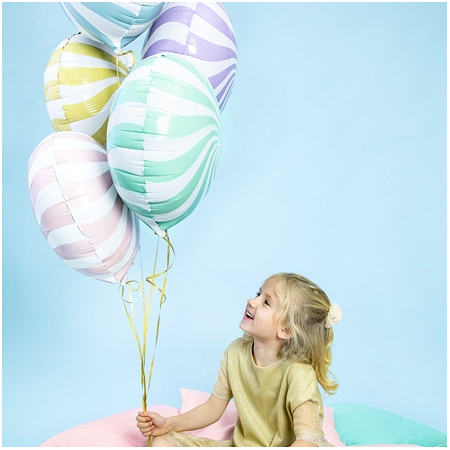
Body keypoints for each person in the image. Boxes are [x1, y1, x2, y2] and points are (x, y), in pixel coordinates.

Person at [136, 272, 343, 447]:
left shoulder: (298, 373)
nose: (252, 301)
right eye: (258, 294)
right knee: (162, 441)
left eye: (266, 302)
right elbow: (212, 408)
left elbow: (307, 440)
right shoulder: (236, 352)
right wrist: (169, 424)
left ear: (286, 330)